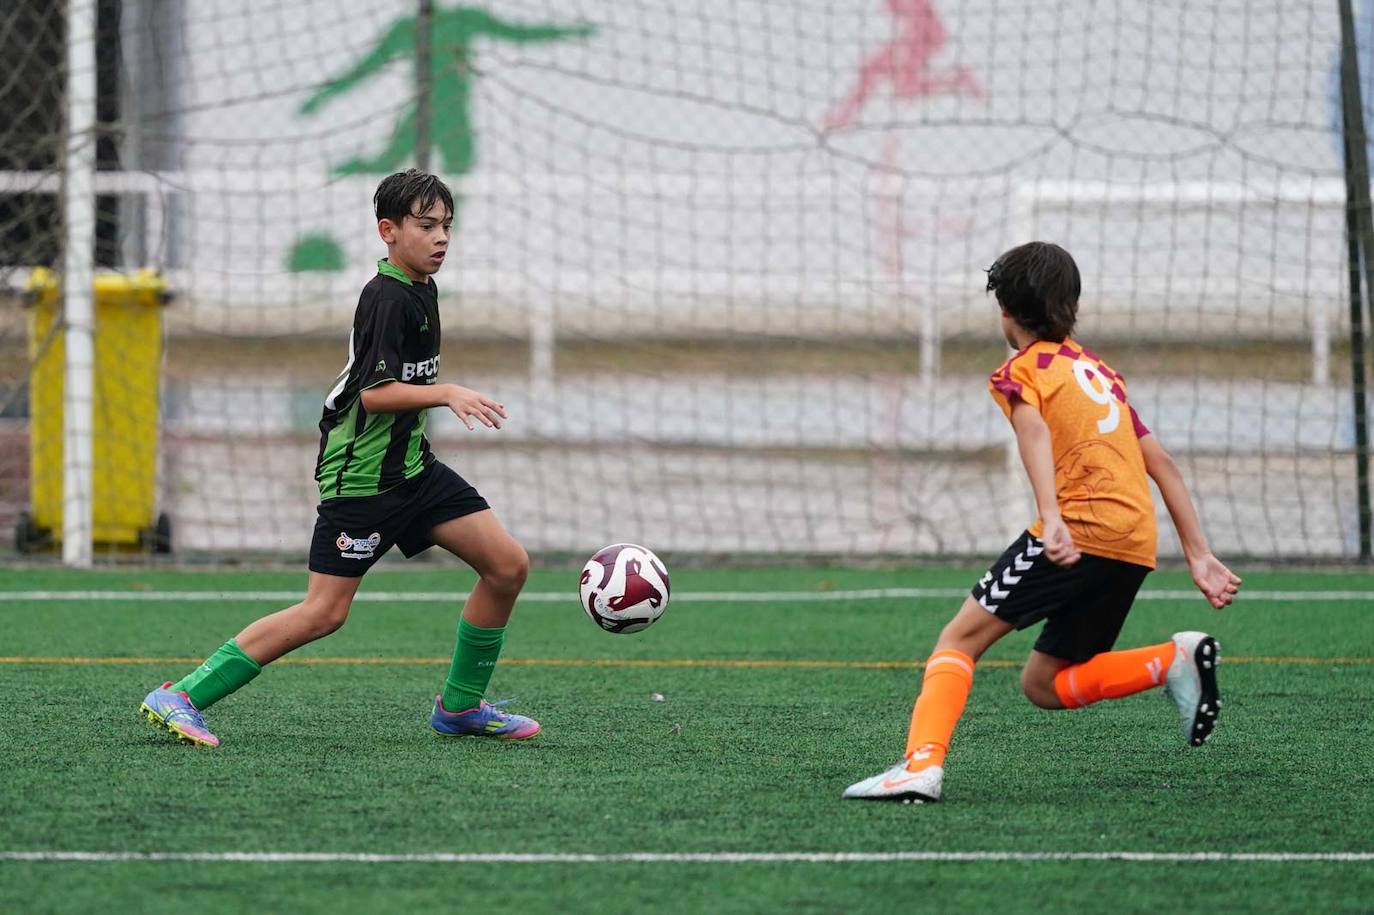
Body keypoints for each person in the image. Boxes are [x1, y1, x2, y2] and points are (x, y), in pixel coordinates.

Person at [140, 169, 539, 747]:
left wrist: (436, 396)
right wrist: (448, 391)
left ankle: (459, 708)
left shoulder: (422, 289)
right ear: (388, 230)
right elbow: (376, 395)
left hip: (412, 470)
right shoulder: (385, 297)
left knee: (507, 566)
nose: (441, 238)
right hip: (361, 481)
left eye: (446, 226)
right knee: (324, 613)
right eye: (426, 225)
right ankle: (181, 694)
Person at [843, 241, 1241, 803]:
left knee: (958, 639)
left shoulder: (1022, 370)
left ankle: (920, 766)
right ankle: (1170, 660)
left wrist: (1051, 517)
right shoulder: (1102, 374)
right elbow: (1163, 464)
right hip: (1133, 542)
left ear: (1004, 310)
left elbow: (1033, 433)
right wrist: (1198, 554)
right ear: (1070, 305)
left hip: (1079, 528)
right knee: (1045, 683)